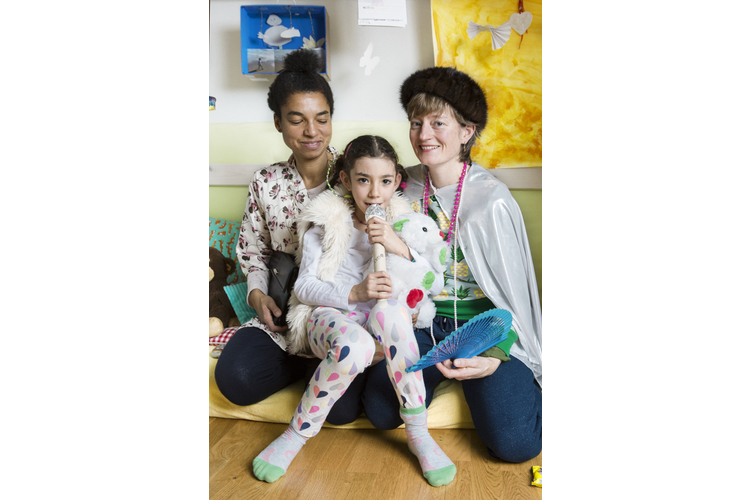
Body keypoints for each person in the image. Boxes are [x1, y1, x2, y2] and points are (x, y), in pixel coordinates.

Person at [252, 135, 457, 488]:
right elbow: (304, 287)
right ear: (346, 180)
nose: (375, 193)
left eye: (385, 181)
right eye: (363, 180)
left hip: (379, 322)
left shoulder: (406, 225)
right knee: (356, 346)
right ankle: (296, 434)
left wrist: (400, 247)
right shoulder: (326, 225)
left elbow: (432, 286)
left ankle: (418, 432)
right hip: (329, 318)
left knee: (391, 314)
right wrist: (355, 292)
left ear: (397, 183)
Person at [362, 67, 543, 463]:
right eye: (415, 123)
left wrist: (495, 354)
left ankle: (485, 381)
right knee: (378, 408)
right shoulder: (399, 186)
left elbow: (513, 296)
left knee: (516, 446)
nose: (424, 135)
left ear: (466, 131)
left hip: (485, 327)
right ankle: (440, 377)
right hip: (424, 325)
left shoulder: (491, 199)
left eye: (438, 123)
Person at [213, 49, 363, 425]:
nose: (311, 131)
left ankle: (321, 363)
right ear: (279, 122)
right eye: (297, 120)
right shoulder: (266, 181)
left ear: (331, 119)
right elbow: (252, 249)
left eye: (321, 119)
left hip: (337, 314)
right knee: (236, 380)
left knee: (342, 411)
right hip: (281, 314)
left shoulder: (353, 177)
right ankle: (302, 365)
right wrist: (257, 293)